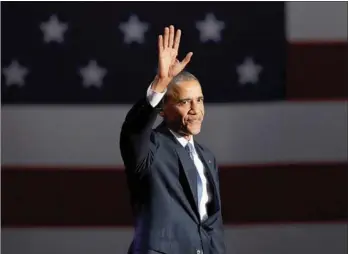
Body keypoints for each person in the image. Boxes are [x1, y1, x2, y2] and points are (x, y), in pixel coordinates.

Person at [120, 25, 225, 254]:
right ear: (162, 110)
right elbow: (133, 130)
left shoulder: (206, 157)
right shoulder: (149, 149)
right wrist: (160, 83)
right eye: (184, 102)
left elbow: (211, 224)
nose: (196, 109)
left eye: (199, 100)